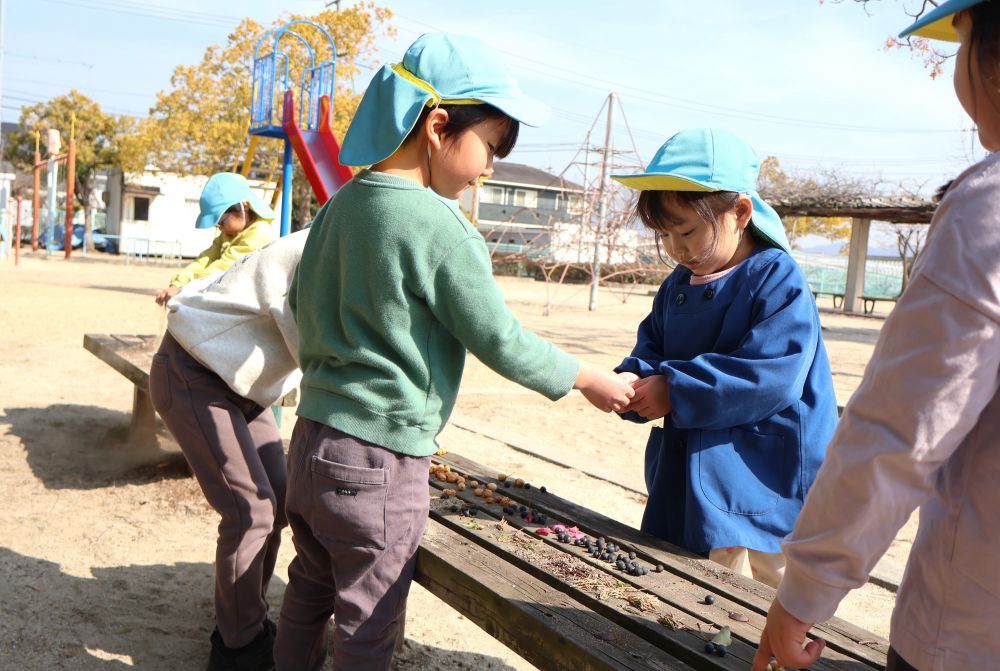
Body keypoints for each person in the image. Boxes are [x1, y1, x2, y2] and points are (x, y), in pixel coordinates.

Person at [274, 32, 635, 671]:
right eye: (490, 148)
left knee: (309, 587)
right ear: (439, 127)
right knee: (369, 616)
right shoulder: (442, 227)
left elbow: (299, 300)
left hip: (310, 442)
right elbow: (499, 339)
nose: (491, 167)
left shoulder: (339, 206)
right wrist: (583, 377)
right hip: (379, 457)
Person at [753, 2, 1000, 669]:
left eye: (962, 41)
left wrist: (804, 590)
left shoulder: (988, 211)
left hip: (969, 631)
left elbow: (902, 429)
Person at [611, 128, 839, 589]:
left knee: (772, 588)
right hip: (695, 461)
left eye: (688, 231)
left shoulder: (776, 277)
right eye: (665, 236)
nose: (677, 249)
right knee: (696, 584)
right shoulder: (677, 285)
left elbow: (771, 376)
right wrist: (635, 382)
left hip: (764, 466)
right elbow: (652, 346)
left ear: (739, 212)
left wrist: (675, 389)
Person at [150, 228, 309, 671]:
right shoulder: (319, 251)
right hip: (192, 376)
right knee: (250, 511)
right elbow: (314, 345)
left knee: (277, 502)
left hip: (242, 386)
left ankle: (246, 618)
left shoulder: (341, 244)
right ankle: (237, 648)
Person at [154, 172, 275, 306]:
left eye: (221, 222)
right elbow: (205, 259)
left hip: (253, 303)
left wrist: (185, 288)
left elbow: (225, 266)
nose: (219, 228)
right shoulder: (228, 235)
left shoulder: (260, 233)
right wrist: (178, 283)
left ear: (244, 206)